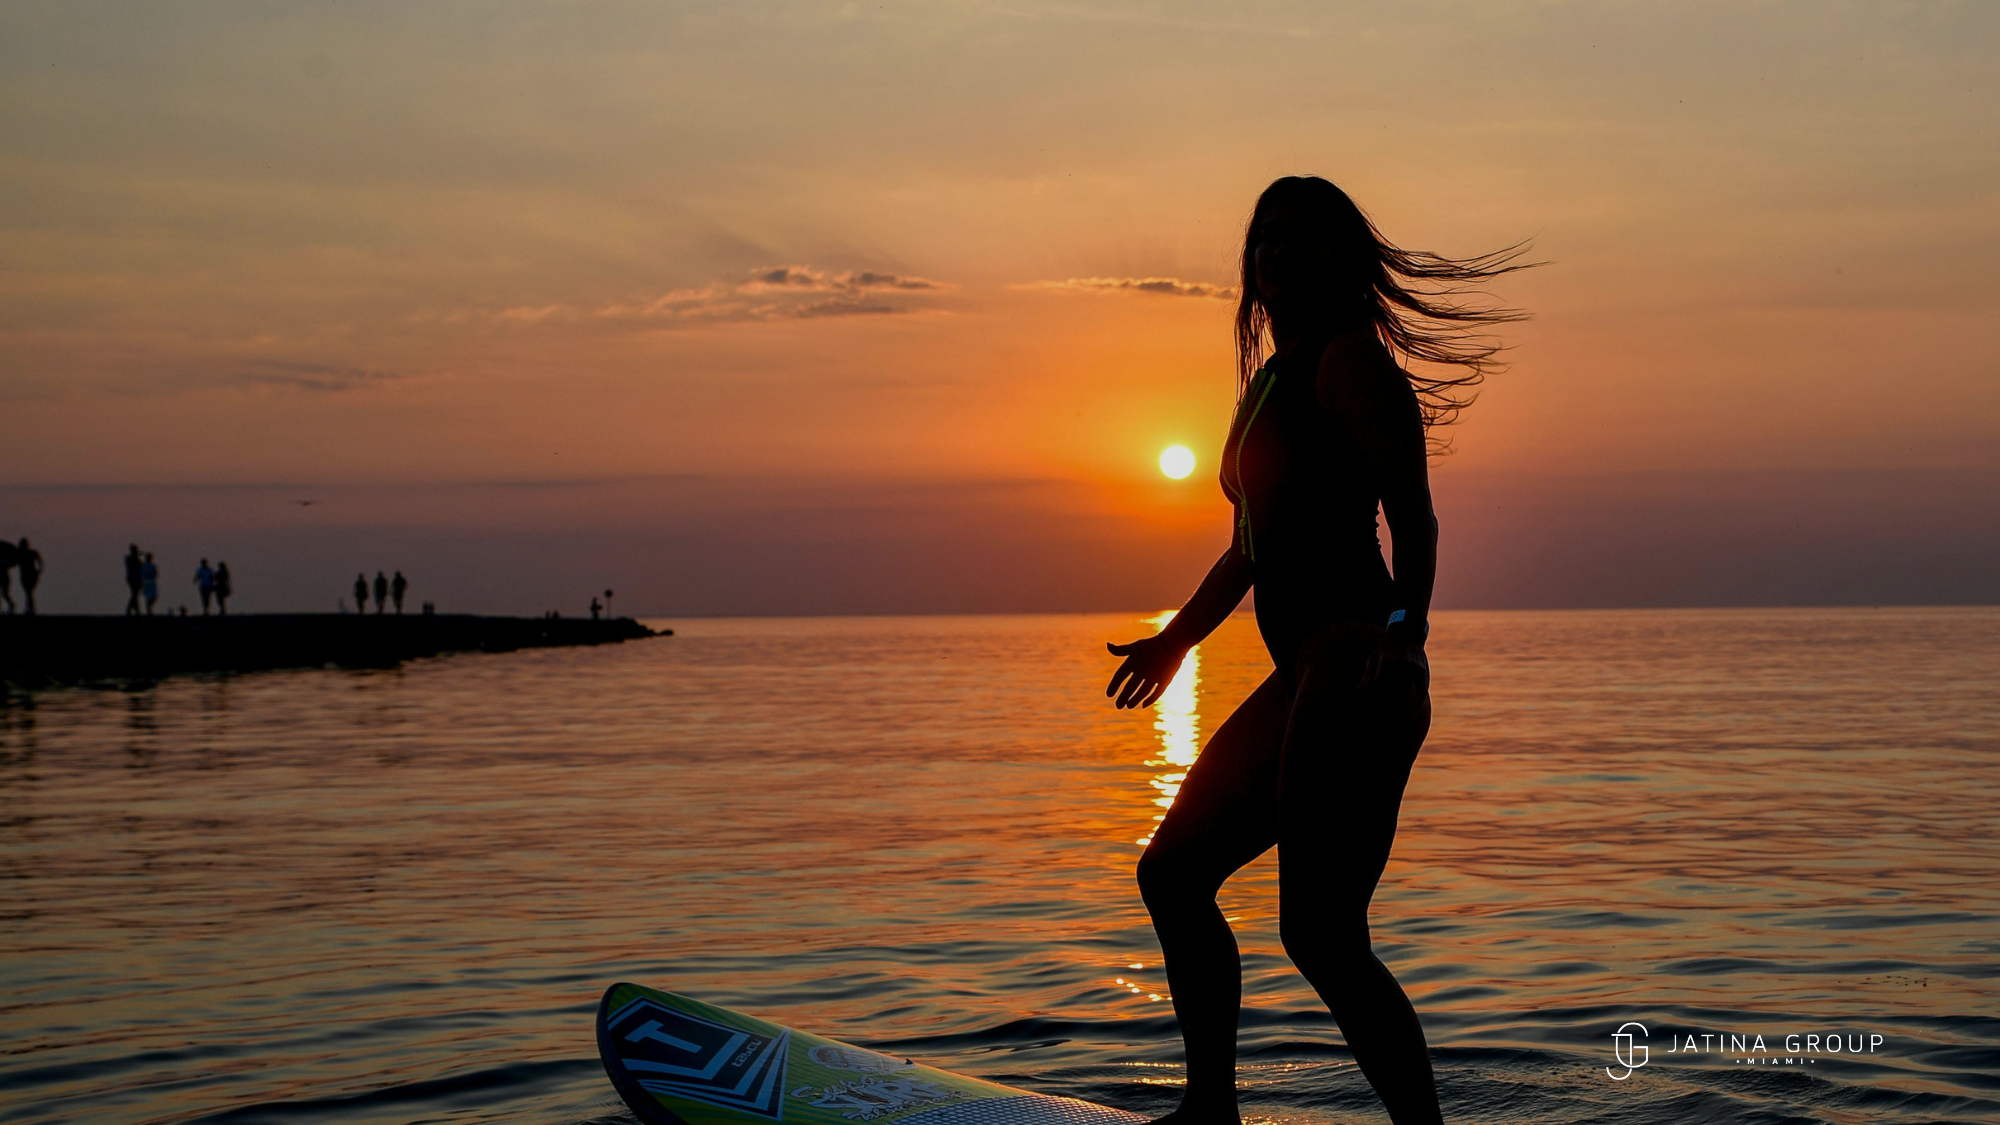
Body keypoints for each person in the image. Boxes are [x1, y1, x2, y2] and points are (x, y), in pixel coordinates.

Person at [1101, 176, 1527, 1125]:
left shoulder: (1351, 366)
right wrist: (1176, 639)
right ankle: (1212, 1112)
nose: (1284, 253)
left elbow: (1414, 520)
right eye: (1269, 239)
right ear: (1250, 263)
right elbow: (1253, 544)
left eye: (1307, 238)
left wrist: (1405, 633)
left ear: (1345, 258)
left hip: (1353, 668)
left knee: (1323, 934)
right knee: (1172, 874)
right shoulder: (1271, 382)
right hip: (1300, 674)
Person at [16, 538, 41, 615]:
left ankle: (30, 609)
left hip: (31, 575)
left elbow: (40, 562)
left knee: (29, 592)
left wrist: (38, 571)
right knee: (29, 593)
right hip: (25, 576)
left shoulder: (31, 553)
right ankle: (30, 608)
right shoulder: (20, 554)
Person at [125, 544, 145, 616]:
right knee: (135, 595)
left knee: (135, 595)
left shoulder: (129, 558)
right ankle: (130, 609)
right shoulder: (133, 559)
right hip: (135, 579)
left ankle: (135, 610)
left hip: (131, 579)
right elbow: (141, 566)